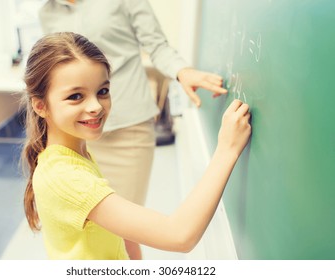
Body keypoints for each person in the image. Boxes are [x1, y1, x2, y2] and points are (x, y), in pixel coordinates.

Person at [21, 32, 251, 260]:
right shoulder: (65, 176)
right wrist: (227, 150)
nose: (96, 107)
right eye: (75, 96)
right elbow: (179, 235)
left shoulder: (73, 152)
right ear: (41, 106)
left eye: (102, 91)